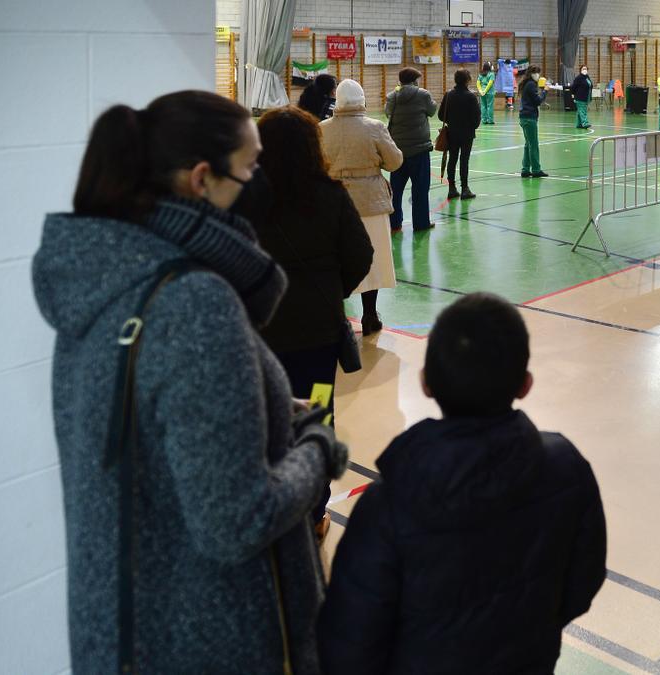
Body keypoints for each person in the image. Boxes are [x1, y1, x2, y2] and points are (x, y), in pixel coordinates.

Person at [31, 90, 350, 673]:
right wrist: (316, 447)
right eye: (252, 166)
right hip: (211, 639)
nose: (261, 181)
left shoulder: (105, 278)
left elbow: (154, 434)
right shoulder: (196, 302)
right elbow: (237, 520)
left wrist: (267, 407)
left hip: (130, 631)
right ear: (204, 178)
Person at [317, 292, 607, 673]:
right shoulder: (566, 469)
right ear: (525, 384)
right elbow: (582, 581)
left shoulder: (388, 504)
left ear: (426, 384)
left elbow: (349, 642)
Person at [254, 105, 373, 539]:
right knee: (316, 417)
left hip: (259, 334)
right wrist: (329, 291)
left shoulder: (247, 199)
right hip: (317, 336)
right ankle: (313, 511)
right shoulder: (330, 194)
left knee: (262, 418)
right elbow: (361, 255)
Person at [320, 79, 404, 335]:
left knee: (335, 260)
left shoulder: (321, 129)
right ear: (362, 100)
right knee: (372, 259)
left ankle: (338, 319)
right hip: (371, 202)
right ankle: (369, 316)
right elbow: (395, 162)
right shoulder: (374, 127)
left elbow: (315, 165)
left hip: (334, 202)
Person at [385, 67, 438, 232]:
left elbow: (387, 113)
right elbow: (432, 110)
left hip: (398, 151)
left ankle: (394, 224)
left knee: (396, 190)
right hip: (419, 150)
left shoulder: (392, 96)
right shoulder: (423, 95)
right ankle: (421, 224)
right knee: (420, 189)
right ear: (415, 80)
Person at [438, 68, 482, 200]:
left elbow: (441, 115)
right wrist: (471, 127)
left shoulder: (448, 94)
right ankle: (465, 189)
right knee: (464, 160)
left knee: (452, 159)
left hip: (452, 132)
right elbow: (476, 118)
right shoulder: (471, 96)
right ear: (468, 80)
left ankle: (452, 188)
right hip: (467, 133)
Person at [518, 65, 548, 178]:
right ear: (532, 73)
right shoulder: (531, 84)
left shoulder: (527, 84)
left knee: (528, 144)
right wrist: (544, 92)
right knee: (533, 144)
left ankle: (525, 169)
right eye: (537, 73)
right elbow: (537, 101)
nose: (538, 75)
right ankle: (536, 169)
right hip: (529, 118)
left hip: (524, 117)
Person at [571, 64, 593, 129]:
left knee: (580, 111)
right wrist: (573, 94)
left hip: (586, 97)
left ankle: (579, 124)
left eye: (586, 69)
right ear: (580, 70)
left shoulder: (587, 77)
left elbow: (590, 86)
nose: (585, 70)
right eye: (583, 69)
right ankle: (585, 123)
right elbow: (573, 87)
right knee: (583, 111)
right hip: (580, 97)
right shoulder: (578, 78)